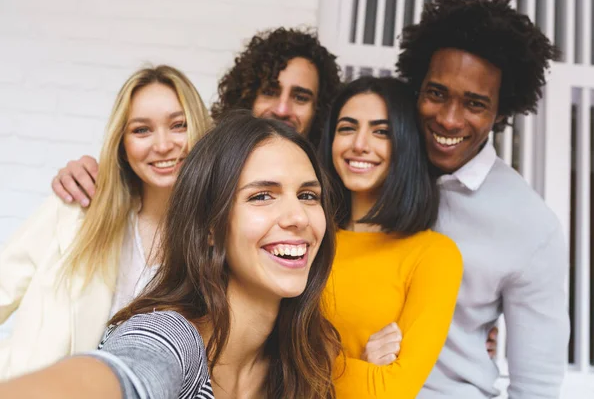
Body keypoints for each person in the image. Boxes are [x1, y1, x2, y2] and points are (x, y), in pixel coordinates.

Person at [0, 111, 341, 399]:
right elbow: (130, 369)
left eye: (309, 196)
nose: (298, 217)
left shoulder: (311, 352)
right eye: (262, 196)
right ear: (209, 226)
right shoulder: (171, 337)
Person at [396, 0, 569, 397]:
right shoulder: (370, 172)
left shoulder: (531, 226)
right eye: (437, 93)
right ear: (417, 87)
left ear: (501, 111)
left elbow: (536, 387)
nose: (450, 119)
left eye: (475, 103)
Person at [0, 65, 212, 380]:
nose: (163, 144)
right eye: (142, 130)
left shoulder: (217, 239)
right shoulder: (74, 210)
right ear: (122, 145)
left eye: (178, 125)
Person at [50, 27, 341, 206]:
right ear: (247, 96)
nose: (282, 108)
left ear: (320, 109)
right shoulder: (207, 162)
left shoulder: (332, 184)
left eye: (300, 97)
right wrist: (86, 172)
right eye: (269, 91)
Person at [319, 76, 463, 398]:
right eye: (347, 128)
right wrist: (361, 366)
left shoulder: (434, 255)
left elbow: (392, 390)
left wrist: (308, 361)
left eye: (381, 131)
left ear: (405, 144)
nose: (359, 144)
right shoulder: (308, 238)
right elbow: (258, 362)